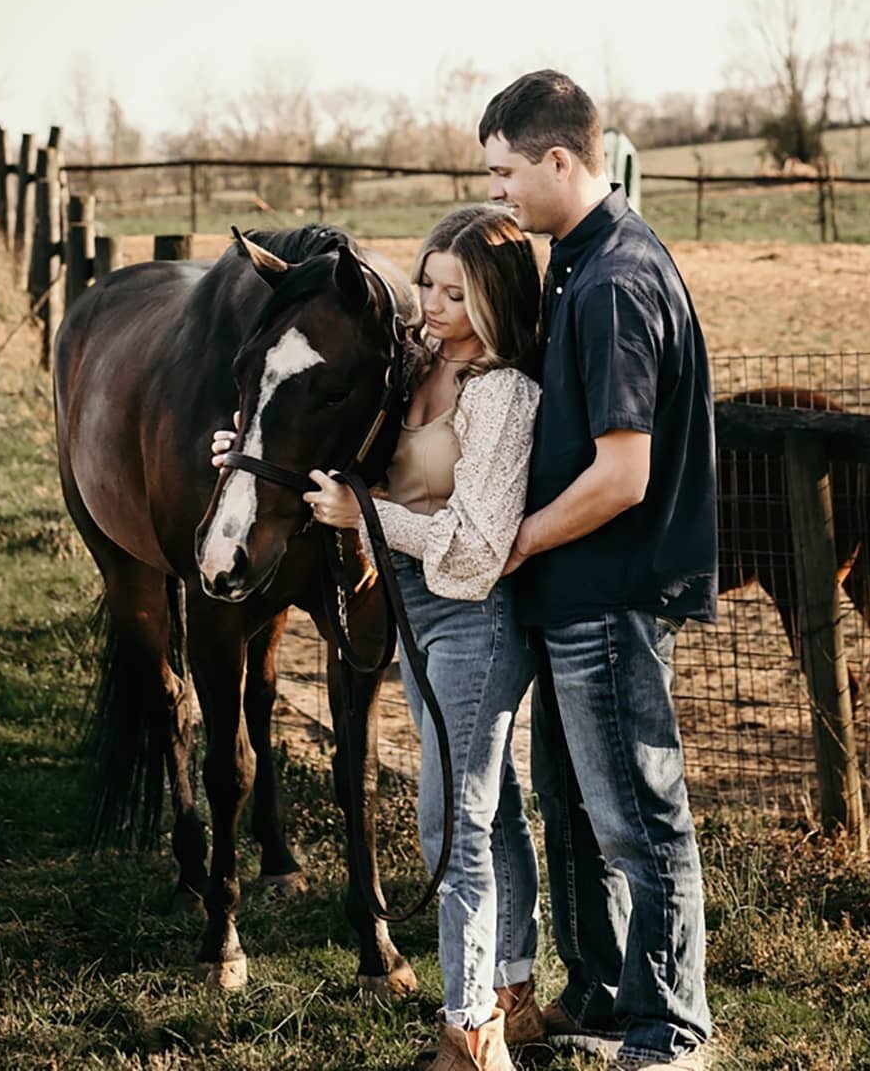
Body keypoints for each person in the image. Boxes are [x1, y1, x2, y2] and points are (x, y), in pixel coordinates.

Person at [211, 205, 546, 1071]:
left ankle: (471, 1032)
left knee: (450, 826)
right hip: (415, 603)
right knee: (492, 809)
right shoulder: (416, 364)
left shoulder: (501, 394)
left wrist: (369, 516)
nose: (428, 304)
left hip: (471, 614)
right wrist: (255, 454)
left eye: (453, 292)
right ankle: (514, 989)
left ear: (495, 299)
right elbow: (339, 426)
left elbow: (476, 551)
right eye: (427, 284)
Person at [480, 70, 717, 1070]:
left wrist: (518, 539)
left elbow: (622, 475)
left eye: (505, 173)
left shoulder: (616, 280)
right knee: (577, 812)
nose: (498, 194)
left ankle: (672, 1029)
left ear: (560, 160)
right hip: (569, 596)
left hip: (608, 595)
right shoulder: (576, 264)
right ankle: (604, 993)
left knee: (638, 819)